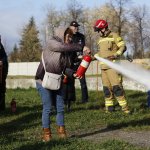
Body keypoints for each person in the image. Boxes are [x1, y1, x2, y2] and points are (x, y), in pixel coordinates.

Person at [35, 26, 88, 142]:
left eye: (71, 37)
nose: (69, 39)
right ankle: (47, 134)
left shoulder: (66, 53)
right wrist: (81, 46)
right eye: (68, 36)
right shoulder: (52, 43)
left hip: (56, 81)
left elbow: (65, 69)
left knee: (60, 107)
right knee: (48, 108)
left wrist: (73, 74)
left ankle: (62, 132)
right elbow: (62, 46)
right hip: (43, 81)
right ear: (61, 35)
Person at [93, 19, 130, 114]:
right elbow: (101, 53)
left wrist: (116, 54)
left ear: (104, 28)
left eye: (99, 30)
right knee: (106, 89)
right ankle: (109, 109)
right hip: (103, 68)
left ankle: (125, 109)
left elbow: (123, 47)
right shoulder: (100, 40)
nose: (98, 32)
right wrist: (95, 56)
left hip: (113, 67)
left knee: (117, 88)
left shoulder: (114, 36)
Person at [69, 21, 89, 103]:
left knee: (83, 82)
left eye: (77, 27)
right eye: (74, 27)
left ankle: (85, 100)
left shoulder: (81, 36)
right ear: (70, 27)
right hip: (71, 62)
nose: (76, 28)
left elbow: (83, 47)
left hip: (80, 62)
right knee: (71, 83)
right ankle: (71, 100)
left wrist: (85, 53)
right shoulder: (68, 36)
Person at [0, 36, 8, 111]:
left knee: (2, 90)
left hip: (2, 73)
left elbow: (5, 58)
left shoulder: (1, 47)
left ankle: (2, 107)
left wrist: (2, 61)